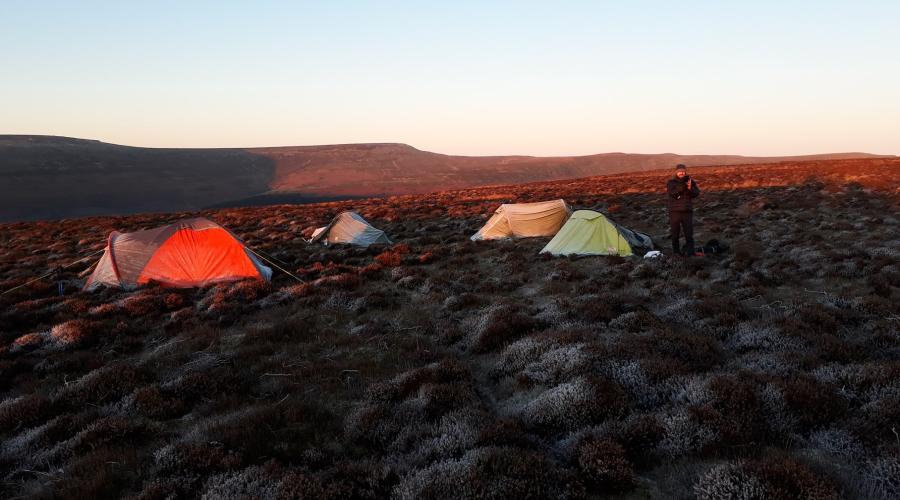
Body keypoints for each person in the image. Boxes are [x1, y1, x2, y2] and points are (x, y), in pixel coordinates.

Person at [666, 164, 700, 256]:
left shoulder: (691, 182)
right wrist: (683, 186)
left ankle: (690, 252)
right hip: (675, 212)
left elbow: (696, 193)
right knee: (675, 234)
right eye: (680, 171)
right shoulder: (671, 182)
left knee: (689, 234)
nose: (682, 173)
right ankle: (676, 253)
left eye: (683, 171)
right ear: (676, 172)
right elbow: (673, 193)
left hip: (687, 211)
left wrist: (689, 188)